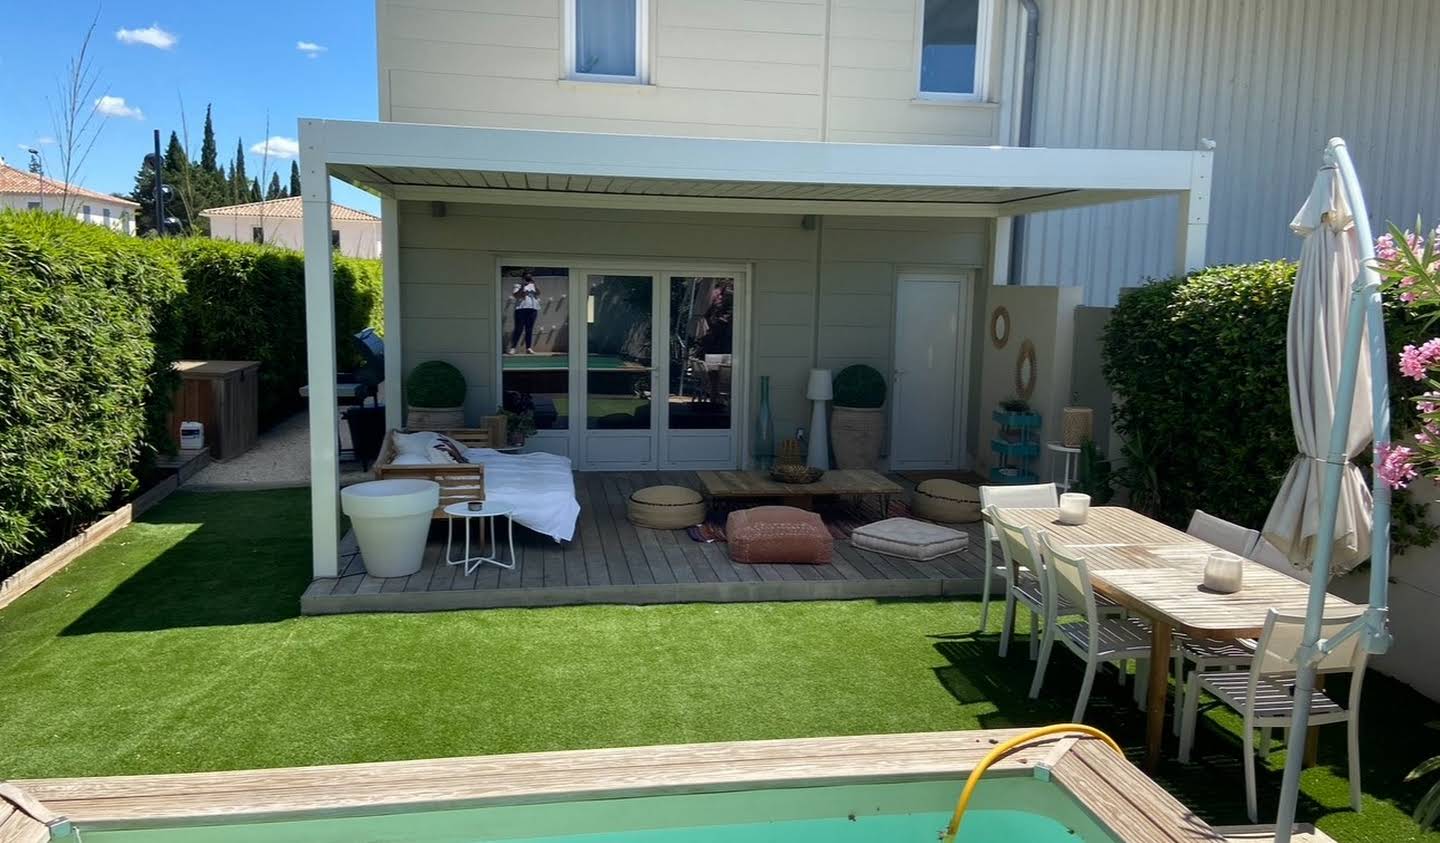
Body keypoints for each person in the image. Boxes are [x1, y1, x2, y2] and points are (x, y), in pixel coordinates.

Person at [508, 273, 539, 354]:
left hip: (532, 309)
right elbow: (516, 296)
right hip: (520, 309)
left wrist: (535, 285)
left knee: (529, 329)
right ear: (522, 278)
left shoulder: (533, 285)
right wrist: (522, 286)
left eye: (530, 278)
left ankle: (528, 348)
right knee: (518, 329)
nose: (528, 279)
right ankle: (513, 348)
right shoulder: (517, 285)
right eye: (527, 278)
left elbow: (538, 293)